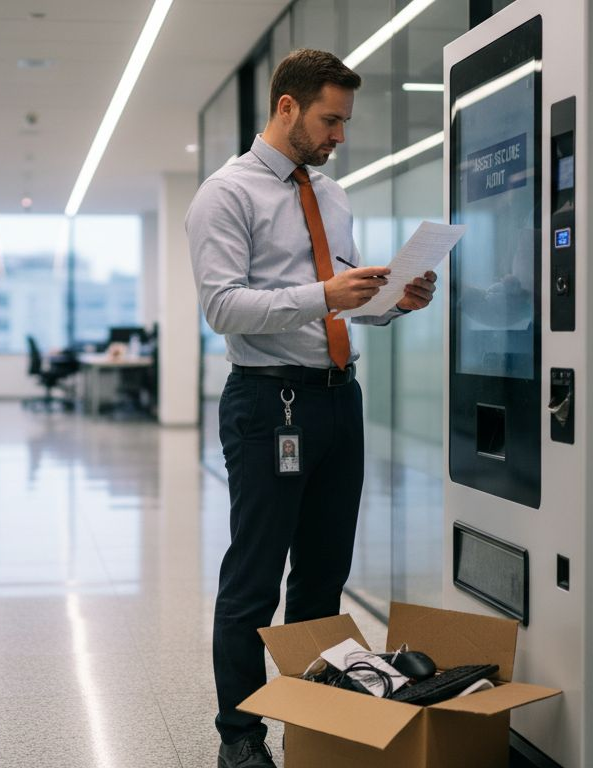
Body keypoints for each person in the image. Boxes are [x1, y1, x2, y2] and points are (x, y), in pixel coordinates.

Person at [186, 48, 438, 768]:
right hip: (270, 405)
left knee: (324, 575)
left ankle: (314, 723)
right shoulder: (225, 194)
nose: (339, 136)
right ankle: (239, 739)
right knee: (255, 579)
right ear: (287, 107)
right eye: (330, 119)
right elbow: (223, 307)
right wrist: (326, 293)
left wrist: (390, 302)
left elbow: (344, 304)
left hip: (337, 399)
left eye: (345, 122)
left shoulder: (331, 195)